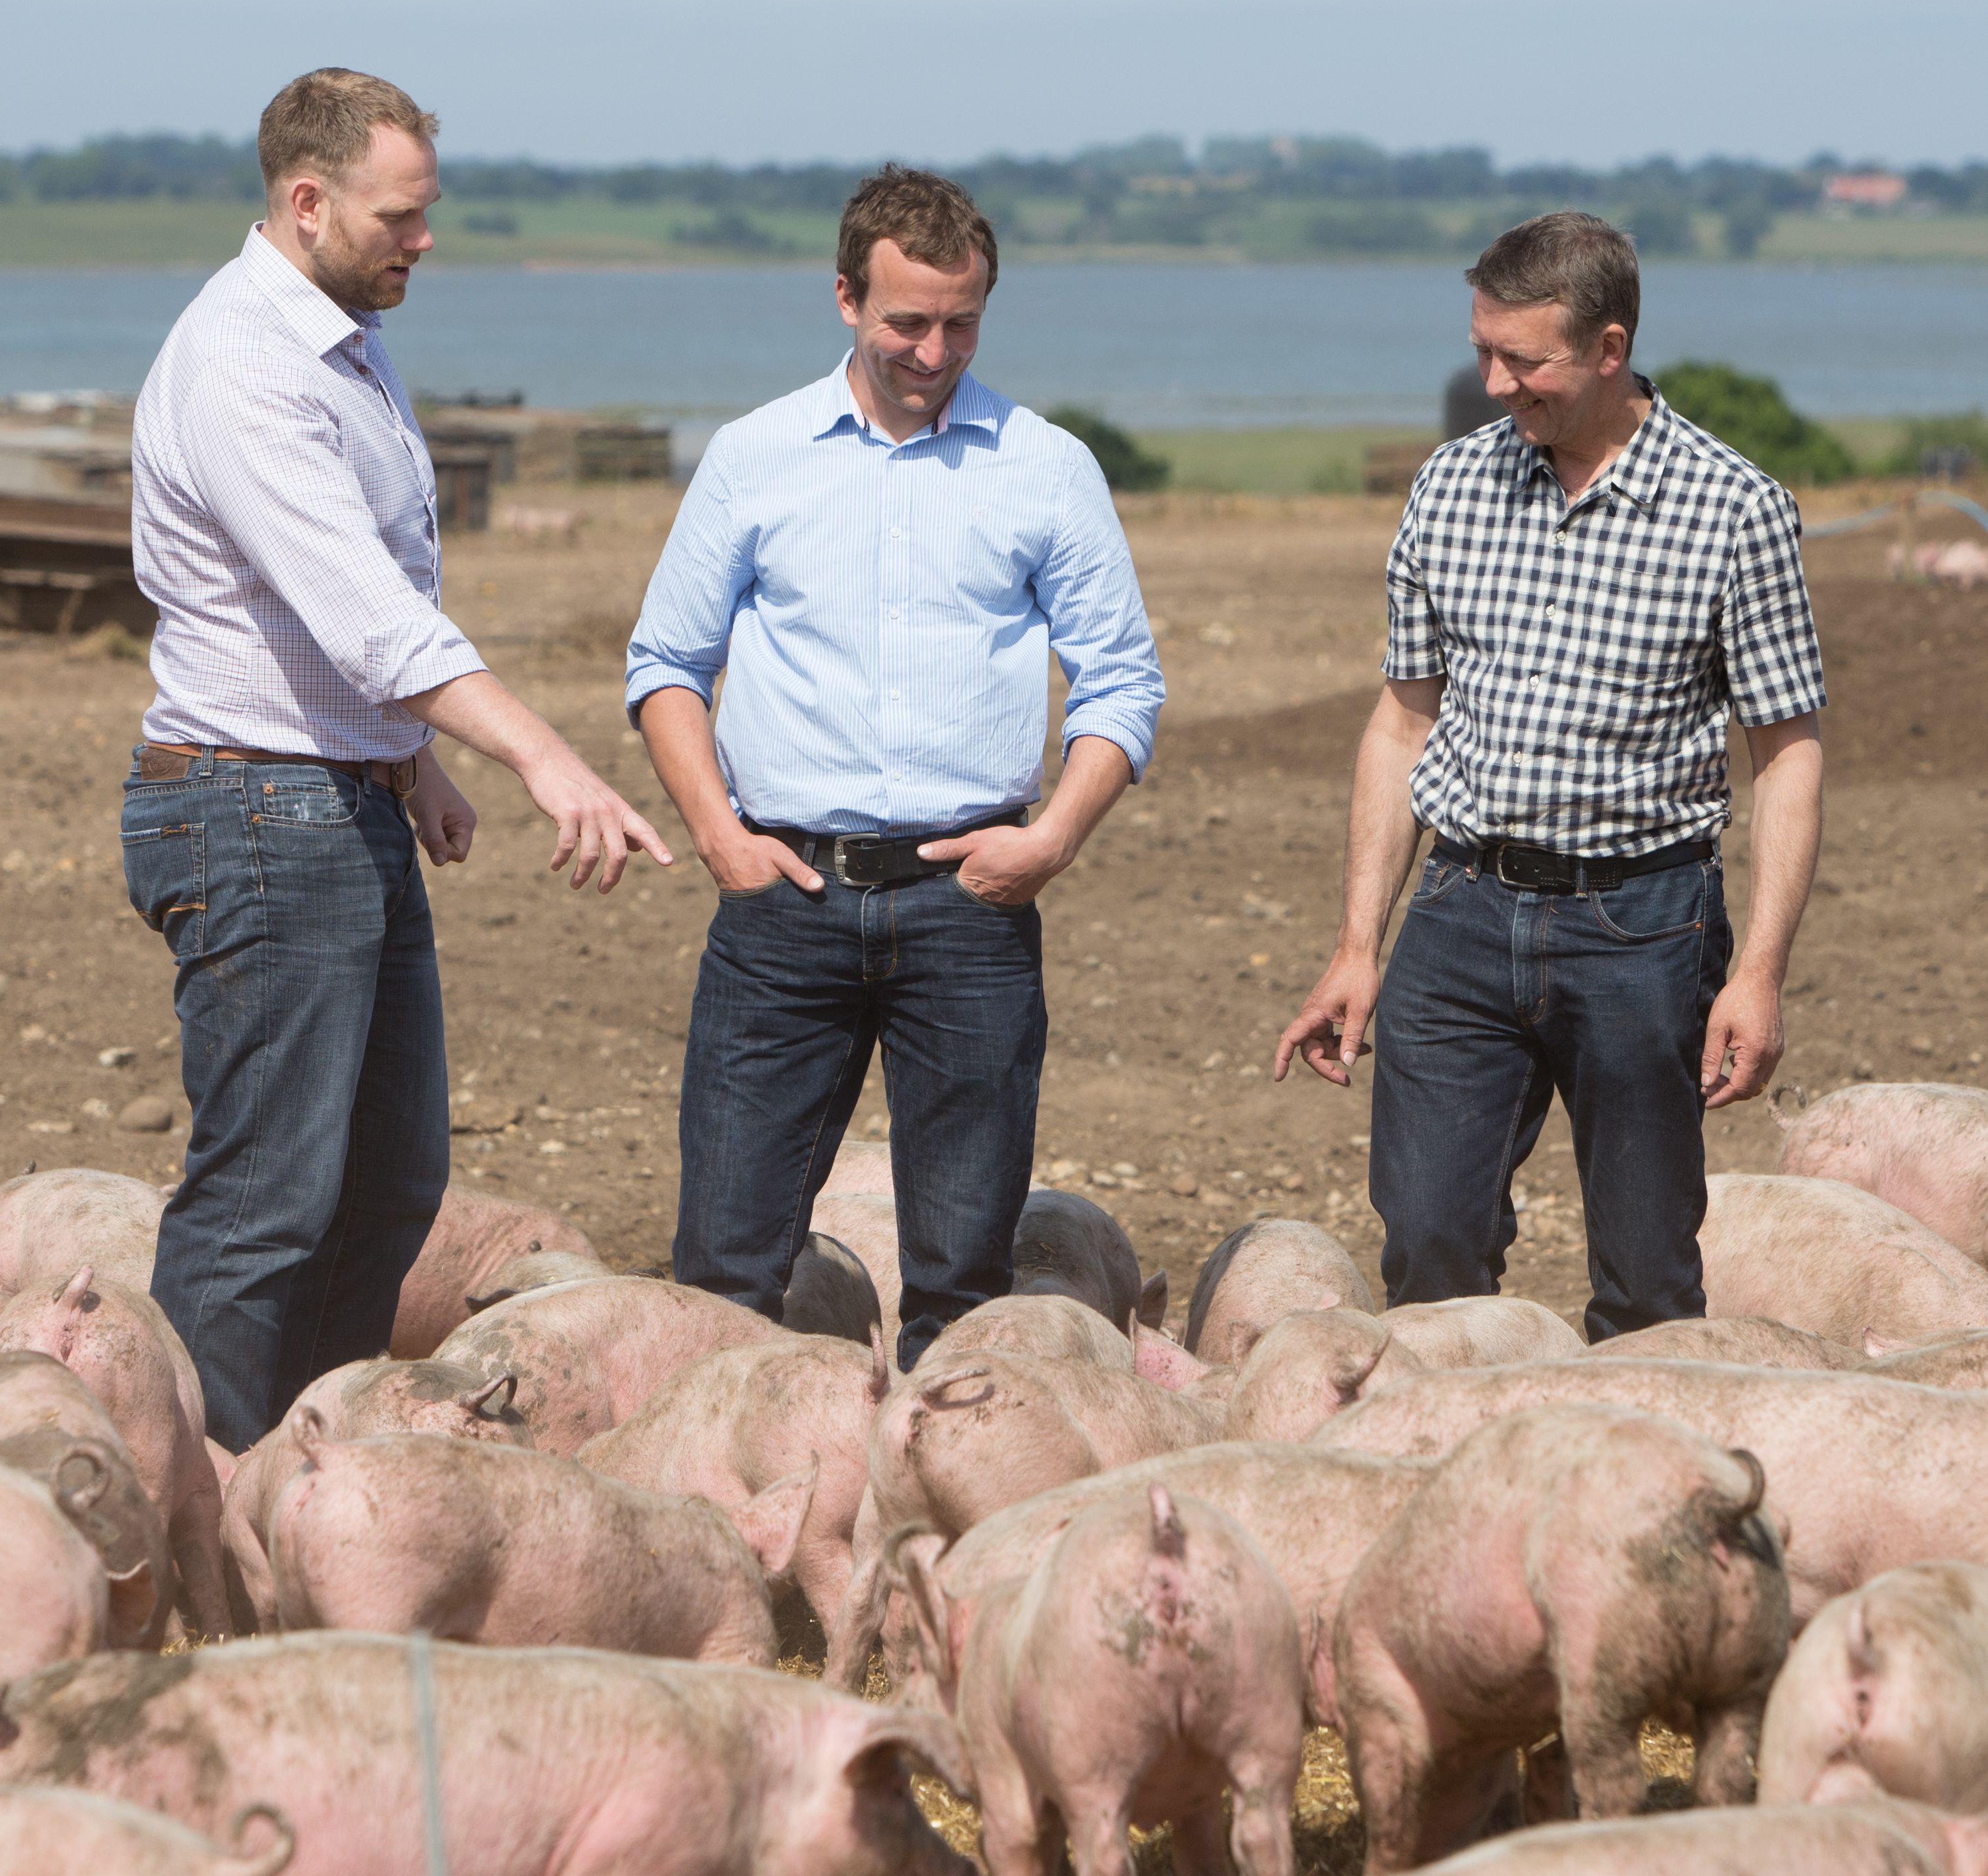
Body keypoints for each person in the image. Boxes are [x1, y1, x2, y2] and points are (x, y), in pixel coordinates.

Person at [125, 67, 669, 1451]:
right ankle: (200, 1507)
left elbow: (339, 604)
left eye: (427, 213)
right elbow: (369, 619)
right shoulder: (249, 364)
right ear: (306, 203)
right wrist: (551, 760)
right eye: (399, 216)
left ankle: (305, 1490)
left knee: (387, 1185)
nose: (423, 241)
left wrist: (404, 761)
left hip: (326, 797)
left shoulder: (343, 340)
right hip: (254, 811)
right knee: (265, 1203)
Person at [626, 164, 1165, 1368]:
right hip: (783, 900)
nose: (934, 349)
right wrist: (719, 834)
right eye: (906, 321)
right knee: (723, 1264)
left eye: (961, 321)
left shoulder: (1046, 466)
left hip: (968, 903)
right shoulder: (755, 455)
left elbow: (1122, 683)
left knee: (965, 1284)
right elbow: (666, 662)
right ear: (844, 299)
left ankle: (939, 1538)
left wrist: (1051, 840)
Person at [1274, 210, 1825, 1341]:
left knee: (1644, 1283)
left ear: (1608, 348)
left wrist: (1758, 971)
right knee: (1427, 1253)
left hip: (1643, 931)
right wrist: (1354, 945)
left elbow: (1787, 754)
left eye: (1521, 360)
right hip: (1459, 917)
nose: (1492, 383)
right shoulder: (1451, 487)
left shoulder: (1734, 510)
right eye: (1482, 349)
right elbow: (1400, 724)